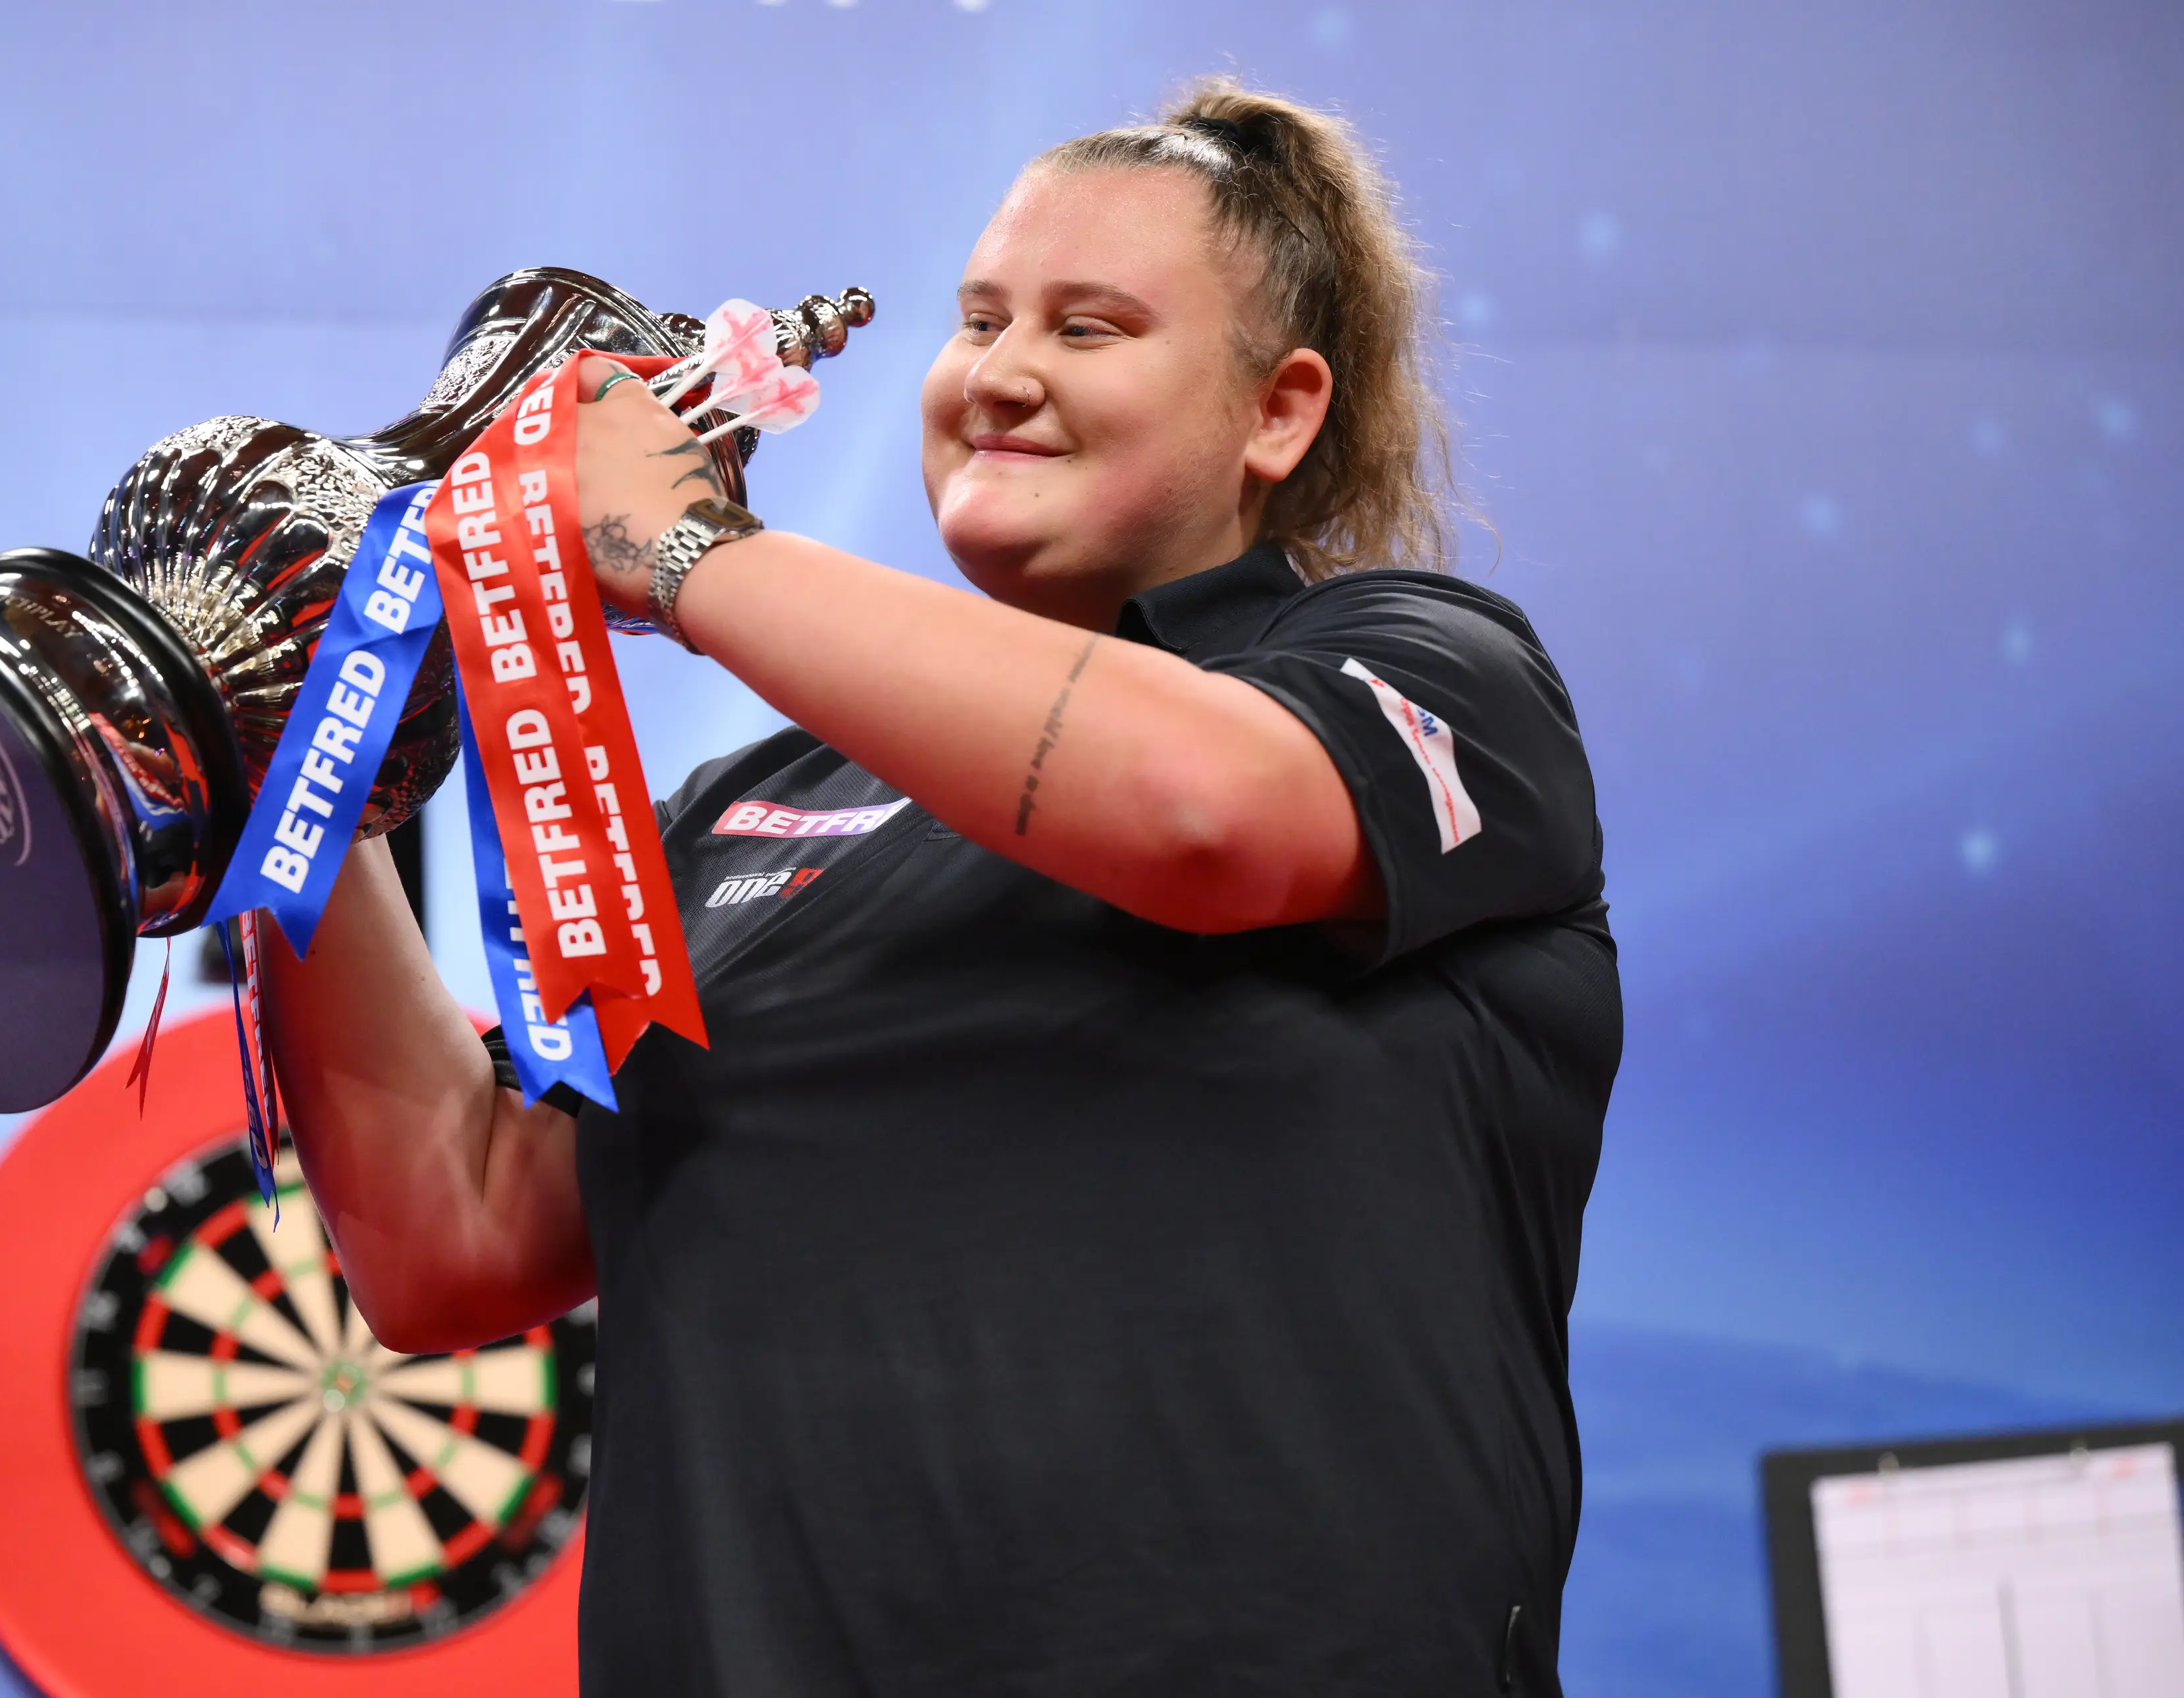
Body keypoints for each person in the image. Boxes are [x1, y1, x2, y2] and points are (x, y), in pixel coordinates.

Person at [266, 78, 1617, 1697]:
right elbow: (454, 1233)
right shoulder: (744, 812)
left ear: (1279, 410)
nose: (1002, 375)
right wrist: (299, 780)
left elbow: (1195, 812)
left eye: (1091, 327)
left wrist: (688, 551)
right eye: (978, 320)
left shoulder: (1430, 674)